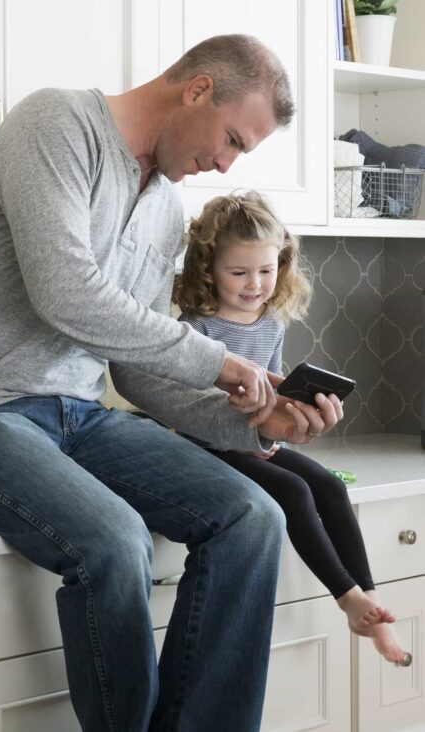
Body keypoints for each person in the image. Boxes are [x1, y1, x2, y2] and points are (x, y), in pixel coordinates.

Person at [0, 35, 343, 732]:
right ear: (198, 89)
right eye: (232, 139)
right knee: (118, 539)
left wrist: (252, 421)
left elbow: (140, 373)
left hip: (78, 419)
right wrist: (224, 363)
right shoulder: (55, 124)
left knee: (252, 517)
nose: (225, 164)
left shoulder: (165, 212)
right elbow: (68, 294)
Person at [174, 189, 409, 665]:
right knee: (296, 494)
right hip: (211, 447)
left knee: (328, 487)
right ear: (207, 268)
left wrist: (287, 420)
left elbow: (276, 391)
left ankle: (370, 598)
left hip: (261, 442)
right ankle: (348, 599)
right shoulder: (195, 328)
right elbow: (191, 406)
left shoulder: (270, 322)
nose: (254, 284)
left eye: (265, 270)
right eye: (238, 272)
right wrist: (252, 428)